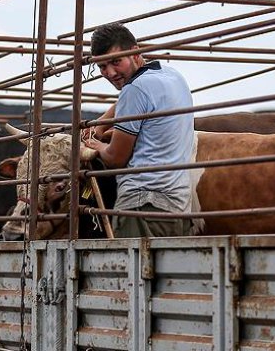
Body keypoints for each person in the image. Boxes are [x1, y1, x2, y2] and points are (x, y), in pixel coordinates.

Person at [82, 23, 194, 238]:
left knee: (133, 261)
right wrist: (100, 125)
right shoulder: (171, 75)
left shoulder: (134, 90)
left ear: (135, 52)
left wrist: (98, 145)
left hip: (141, 205)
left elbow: (116, 159)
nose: (110, 73)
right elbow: (131, 100)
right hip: (178, 205)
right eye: (102, 66)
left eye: (116, 62)